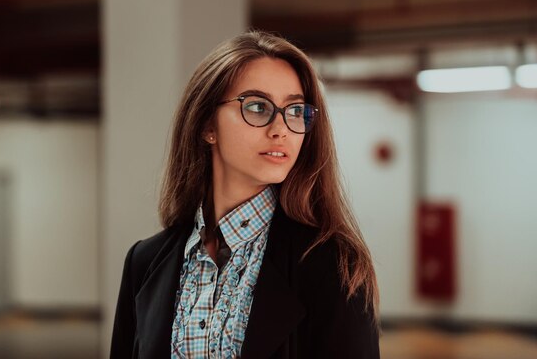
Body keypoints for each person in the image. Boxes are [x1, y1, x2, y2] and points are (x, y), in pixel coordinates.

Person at [110, 31, 380, 358]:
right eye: (257, 106)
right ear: (207, 125)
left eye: (295, 111)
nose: (280, 129)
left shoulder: (332, 264)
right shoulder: (145, 263)